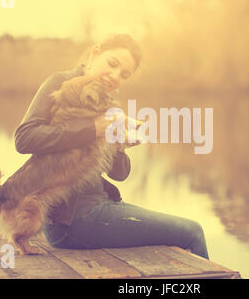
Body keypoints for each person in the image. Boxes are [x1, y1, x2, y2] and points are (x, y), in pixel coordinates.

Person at [13, 34, 209, 259]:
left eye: (124, 75)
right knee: (192, 232)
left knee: (186, 232)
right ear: (95, 53)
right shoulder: (61, 83)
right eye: (112, 64)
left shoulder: (106, 102)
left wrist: (119, 144)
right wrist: (93, 129)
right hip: (73, 221)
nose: (115, 76)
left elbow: (120, 173)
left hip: (100, 208)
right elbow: (24, 138)